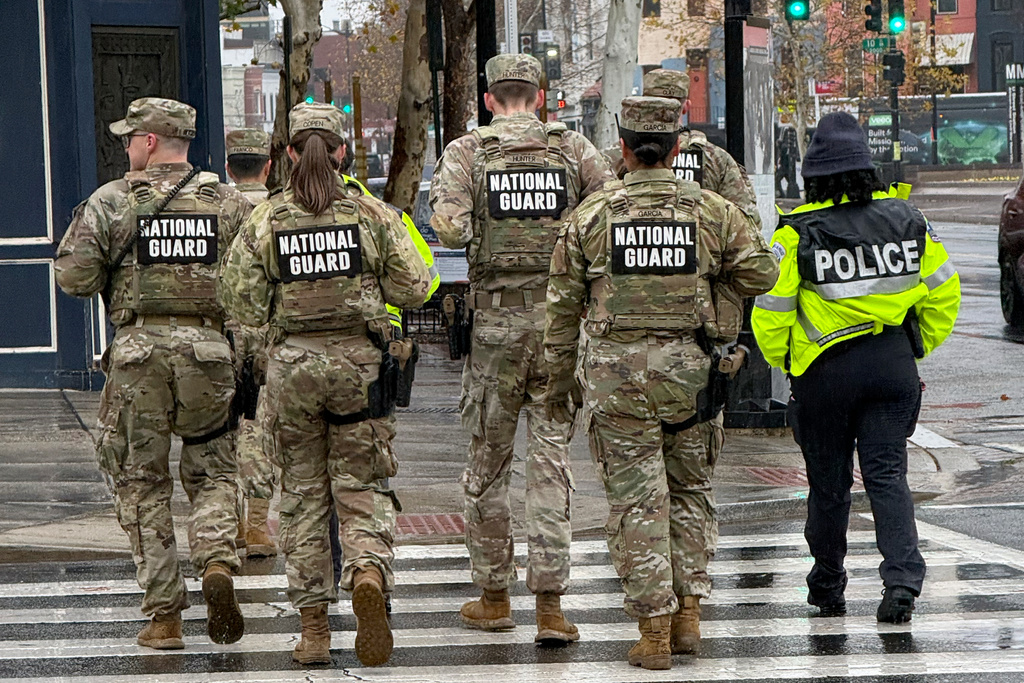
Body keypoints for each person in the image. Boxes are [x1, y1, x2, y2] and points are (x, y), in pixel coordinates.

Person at [544, 96, 779, 669]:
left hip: (615, 380)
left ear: (623, 148)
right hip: (693, 378)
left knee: (636, 501)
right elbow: (763, 273)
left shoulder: (592, 216)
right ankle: (689, 615)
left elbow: (561, 310)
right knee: (690, 490)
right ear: (677, 148)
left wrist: (557, 385)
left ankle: (652, 631)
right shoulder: (714, 212)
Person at [220, 102, 430, 666]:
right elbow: (415, 288)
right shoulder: (371, 215)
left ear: (287, 154)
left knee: (304, 499)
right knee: (362, 488)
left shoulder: (266, 220)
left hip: (291, 372)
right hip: (361, 371)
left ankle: (314, 630)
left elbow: (239, 301)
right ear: (341, 153)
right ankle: (366, 574)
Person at [54, 97, 252, 650]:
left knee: (141, 484)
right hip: (210, 353)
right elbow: (256, 281)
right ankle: (216, 562)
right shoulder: (227, 202)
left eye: (127, 138)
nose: (124, 147)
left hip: (138, 355)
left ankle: (165, 616)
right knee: (213, 472)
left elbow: (73, 278)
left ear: (148, 141)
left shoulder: (113, 201)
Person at [429, 53, 613, 643]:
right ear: (539, 95)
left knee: (488, 463)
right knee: (551, 461)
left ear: (489, 99)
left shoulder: (467, 153)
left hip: (495, 330)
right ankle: (552, 607)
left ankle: (493, 594)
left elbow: (451, 231)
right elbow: (609, 218)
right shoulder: (575, 151)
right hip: (561, 325)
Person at [751, 111, 961, 623]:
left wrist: (791, 364)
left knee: (829, 484)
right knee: (888, 475)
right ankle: (903, 580)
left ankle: (827, 584)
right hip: (892, 367)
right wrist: (914, 348)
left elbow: (771, 313)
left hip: (826, 374)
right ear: (868, 168)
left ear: (814, 175)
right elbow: (944, 293)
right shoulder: (907, 220)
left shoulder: (796, 232)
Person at [604, 69, 761, 229]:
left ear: (645, 103)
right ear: (686, 106)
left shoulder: (618, 154)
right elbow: (748, 222)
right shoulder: (717, 159)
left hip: (630, 249)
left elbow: (593, 215)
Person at [224, 127, 279, 559]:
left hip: (227, 334)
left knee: (225, 429)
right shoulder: (281, 212)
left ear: (228, 167)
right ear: (268, 166)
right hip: (272, 333)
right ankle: (259, 525)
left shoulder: (217, 211)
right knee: (260, 429)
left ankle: (234, 524)